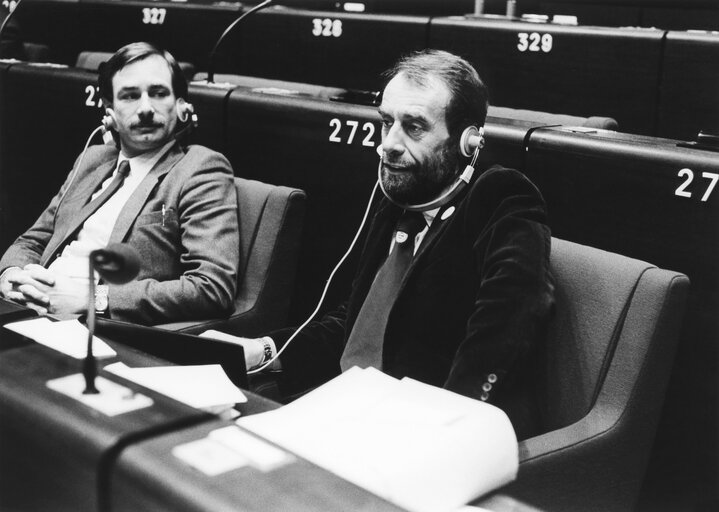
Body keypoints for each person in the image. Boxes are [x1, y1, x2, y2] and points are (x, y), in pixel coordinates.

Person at [204, 49, 554, 438]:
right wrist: (266, 350)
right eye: (387, 122)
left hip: (429, 425)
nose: (389, 143)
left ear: (468, 141)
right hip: (348, 407)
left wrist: (449, 420)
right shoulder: (396, 202)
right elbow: (355, 329)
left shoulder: (500, 194)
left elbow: (513, 311)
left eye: (414, 127)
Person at [0, 42, 239, 325]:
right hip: (26, 309)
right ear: (110, 112)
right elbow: (34, 239)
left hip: (94, 326)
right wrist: (9, 274)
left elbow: (212, 287)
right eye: (130, 96)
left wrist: (93, 300)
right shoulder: (93, 159)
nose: (146, 108)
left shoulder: (199, 168)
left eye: (159, 93)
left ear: (182, 107)